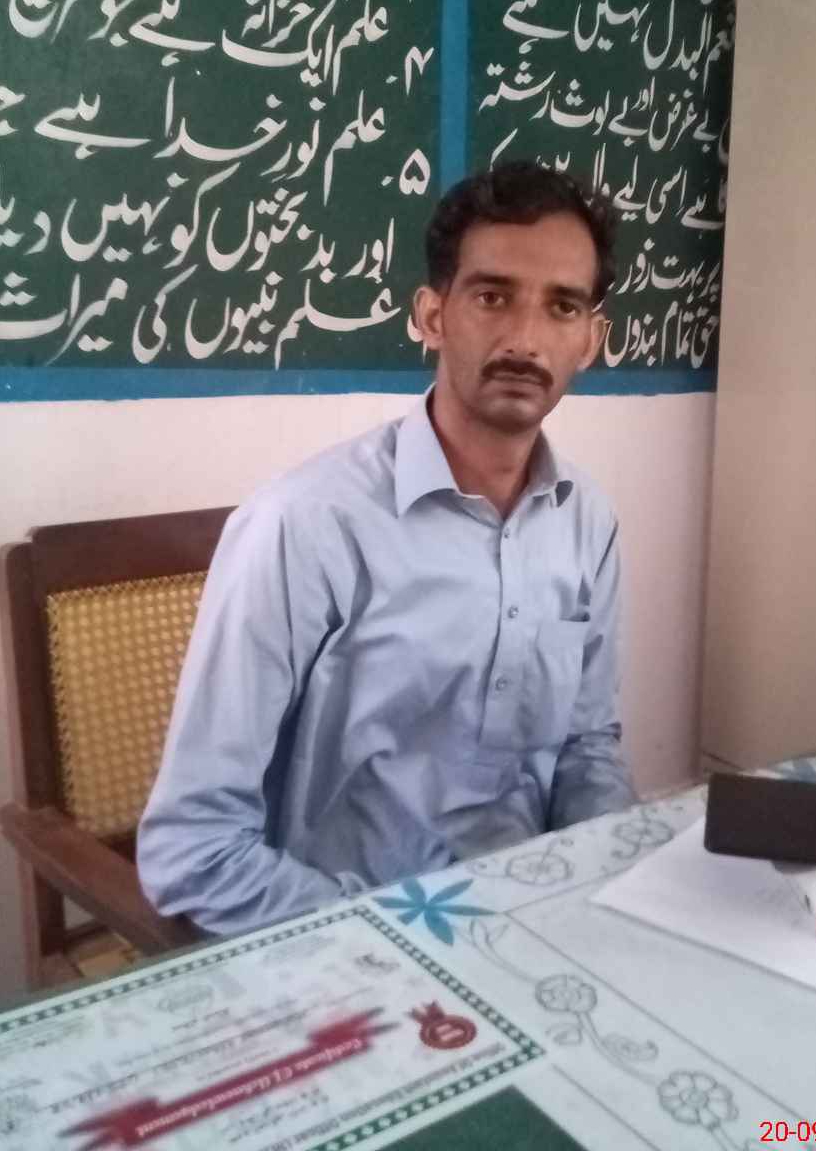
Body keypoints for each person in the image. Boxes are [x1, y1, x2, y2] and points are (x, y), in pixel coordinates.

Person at [137, 161, 637, 935]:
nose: (526, 338)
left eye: (562, 307)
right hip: (352, 937)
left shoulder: (587, 520)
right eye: (492, 296)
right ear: (433, 316)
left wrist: (618, 875)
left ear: (591, 340)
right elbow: (192, 850)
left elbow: (586, 748)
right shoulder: (303, 527)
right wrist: (406, 936)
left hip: (537, 921)